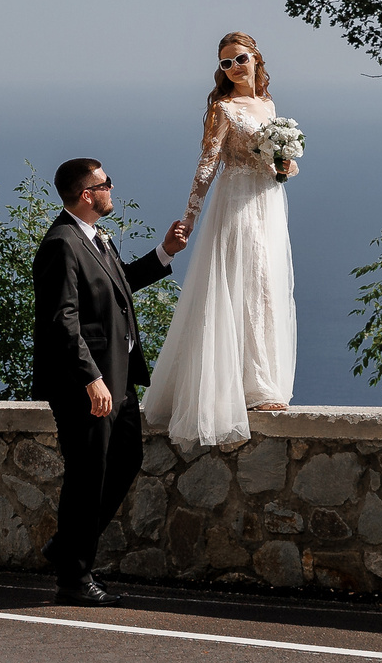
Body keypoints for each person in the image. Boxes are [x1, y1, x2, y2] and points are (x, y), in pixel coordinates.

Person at [32, 157, 188, 607]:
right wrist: (91, 379)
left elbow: (119, 286)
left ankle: (67, 548)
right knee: (87, 476)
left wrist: (164, 253)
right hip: (88, 385)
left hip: (117, 380)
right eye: (105, 183)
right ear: (87, 194)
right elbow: (62, 320)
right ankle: (74, 579)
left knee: (124, 460)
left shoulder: (95, 239)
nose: (111, 188)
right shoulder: (62, 244)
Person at [142, 30, 298, 452]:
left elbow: (276, 163)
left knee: (266, 287)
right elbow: (208, 164)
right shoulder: (222, 109)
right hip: (237, 203)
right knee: (242, 284)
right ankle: (246, 387)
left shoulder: (267, 105)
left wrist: (284, 166)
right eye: (226, 63)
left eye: (240, 59)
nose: (233, 68)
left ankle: (262, 382)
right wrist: (189, 219)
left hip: (268, 202)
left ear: (256, 59)